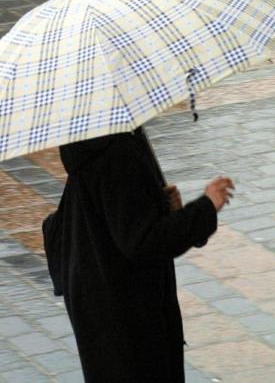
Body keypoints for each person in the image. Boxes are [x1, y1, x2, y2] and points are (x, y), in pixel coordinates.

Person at [46, 127, 234, 382]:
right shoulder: (116, 150)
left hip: (104, 303)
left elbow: (123, 221)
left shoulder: (92, 142)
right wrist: (206, 207)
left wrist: (169, 211)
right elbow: (143, 241)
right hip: (130, 317)